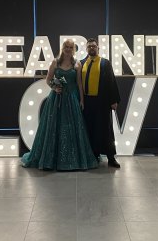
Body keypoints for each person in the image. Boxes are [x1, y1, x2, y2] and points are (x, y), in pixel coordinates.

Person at [21, 39, 98, 171]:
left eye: (71, 47)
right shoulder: (55, 62)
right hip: (56, 100)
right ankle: (52, 159)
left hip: (72, 100)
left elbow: (79, 83)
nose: (68, 49)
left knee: (70, 129)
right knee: (54, 128)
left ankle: (72, 159)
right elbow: (48, 79)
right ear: (63, 48)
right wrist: (54, 88)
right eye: (66, 47)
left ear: (73, 49)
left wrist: (81, 100)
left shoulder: (77, 64)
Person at [81, 38, 121, 168]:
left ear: (98, 48)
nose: (91, 48)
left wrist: (114, 100)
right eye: (89, 47)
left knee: (106, 130)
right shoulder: (81, 63)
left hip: (102, 101)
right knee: (90, 129)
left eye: (93, 46)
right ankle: (94, 155)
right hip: (87, 102)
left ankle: (111, 158)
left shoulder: (105, 63)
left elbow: (111, 81)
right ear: (86, 49)